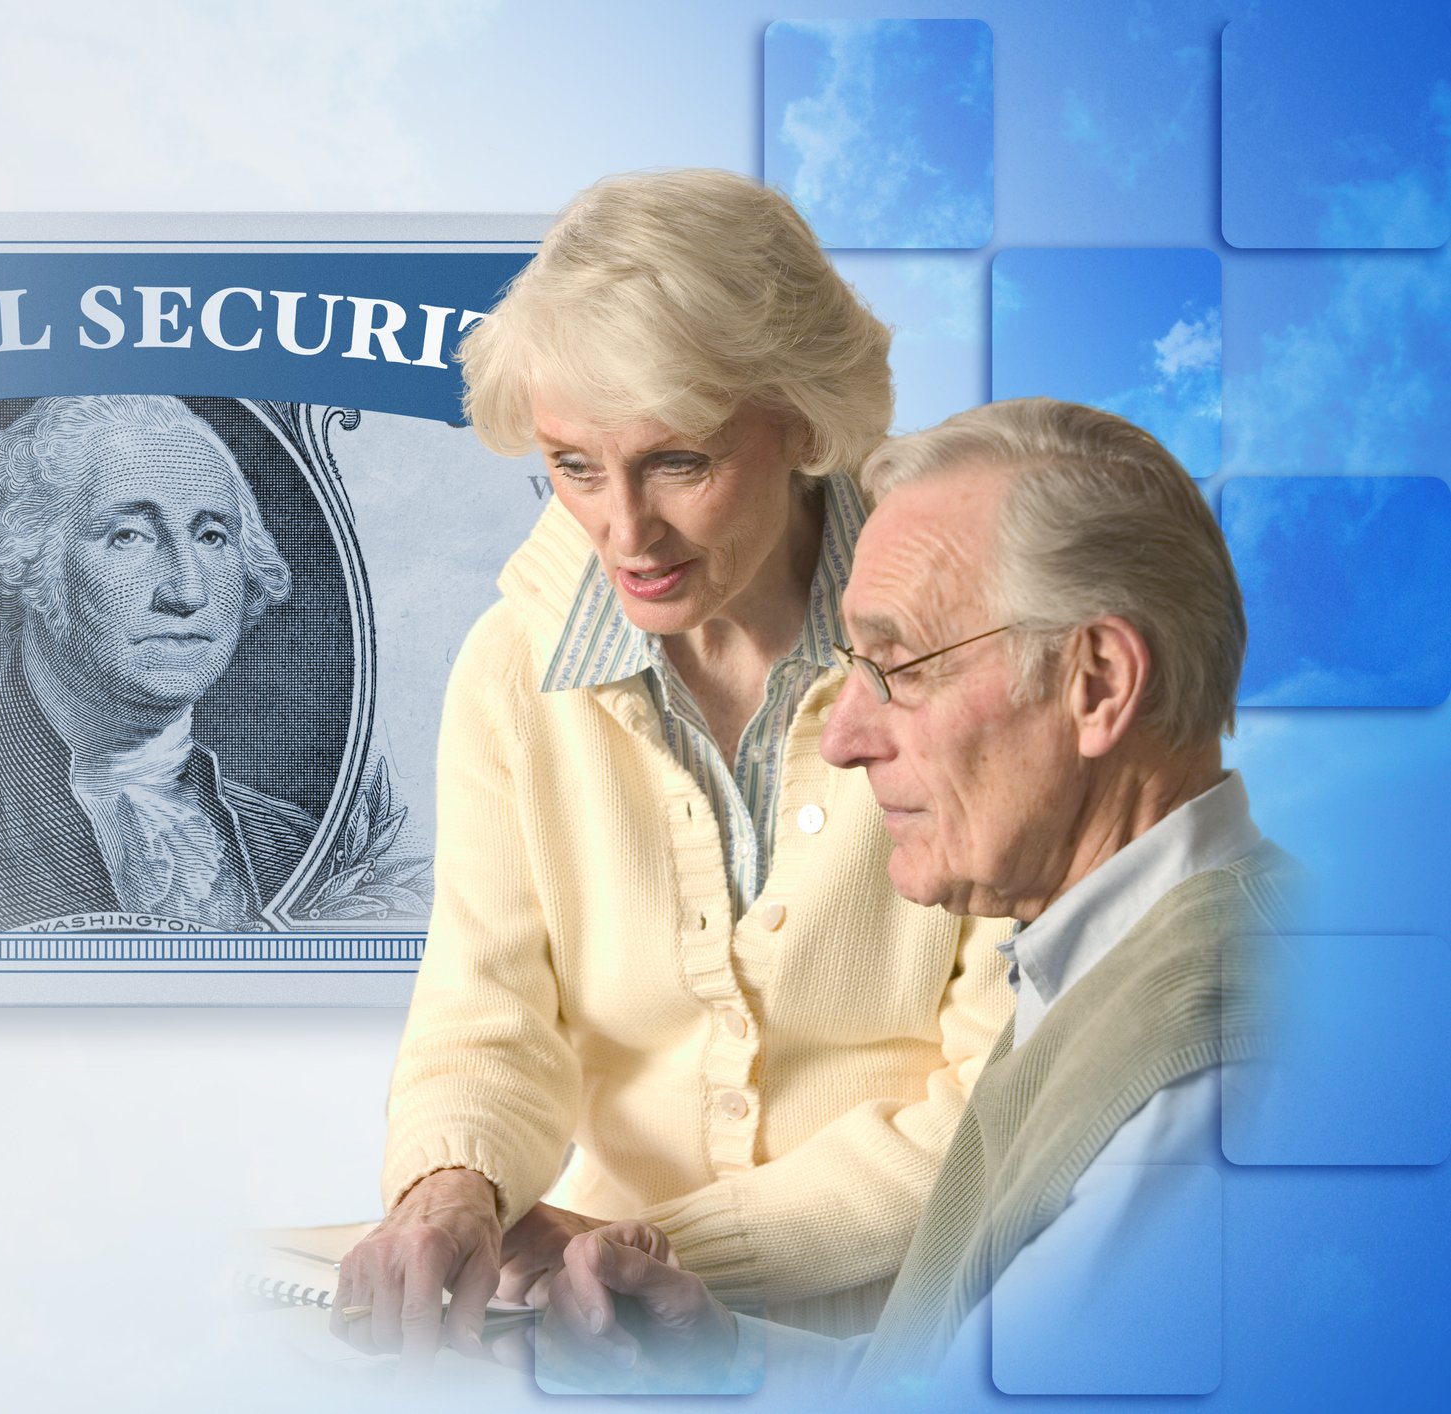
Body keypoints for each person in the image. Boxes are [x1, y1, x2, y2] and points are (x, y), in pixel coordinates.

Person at [338, 170, 1015, 1362]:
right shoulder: (510, 668)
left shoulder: (980, 642)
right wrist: (450, 1192)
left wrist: (661, 1253)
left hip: (931, 1334)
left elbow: (1007, 1102)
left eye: (679, 463)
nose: (623, 533)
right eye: (574, 464)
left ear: (806, 421)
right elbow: (490, 1010)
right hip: (594, 1328)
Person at [535, 398, 1292, 1399]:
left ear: (1098, 683)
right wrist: (723, 1353)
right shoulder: (1114, 967)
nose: (845, 738)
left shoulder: (1206, 1053)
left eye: (897, 667)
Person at [0, 394, 316, 930]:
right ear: (30, 560)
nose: (187, 592)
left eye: (212, 536)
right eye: (129, 536)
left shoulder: (292, 842)